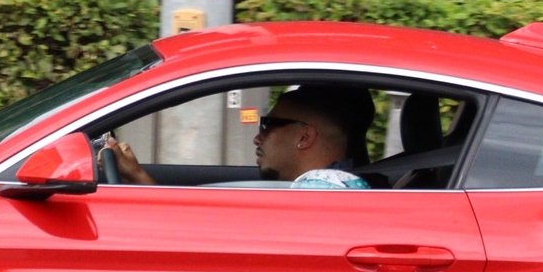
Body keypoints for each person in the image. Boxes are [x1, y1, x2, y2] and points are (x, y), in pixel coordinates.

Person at [108, 83, 376, 188]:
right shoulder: (325, 189)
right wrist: (138, 177)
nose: (257, 138)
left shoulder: (323, 192)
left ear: (304, 137)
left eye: (268, 125)